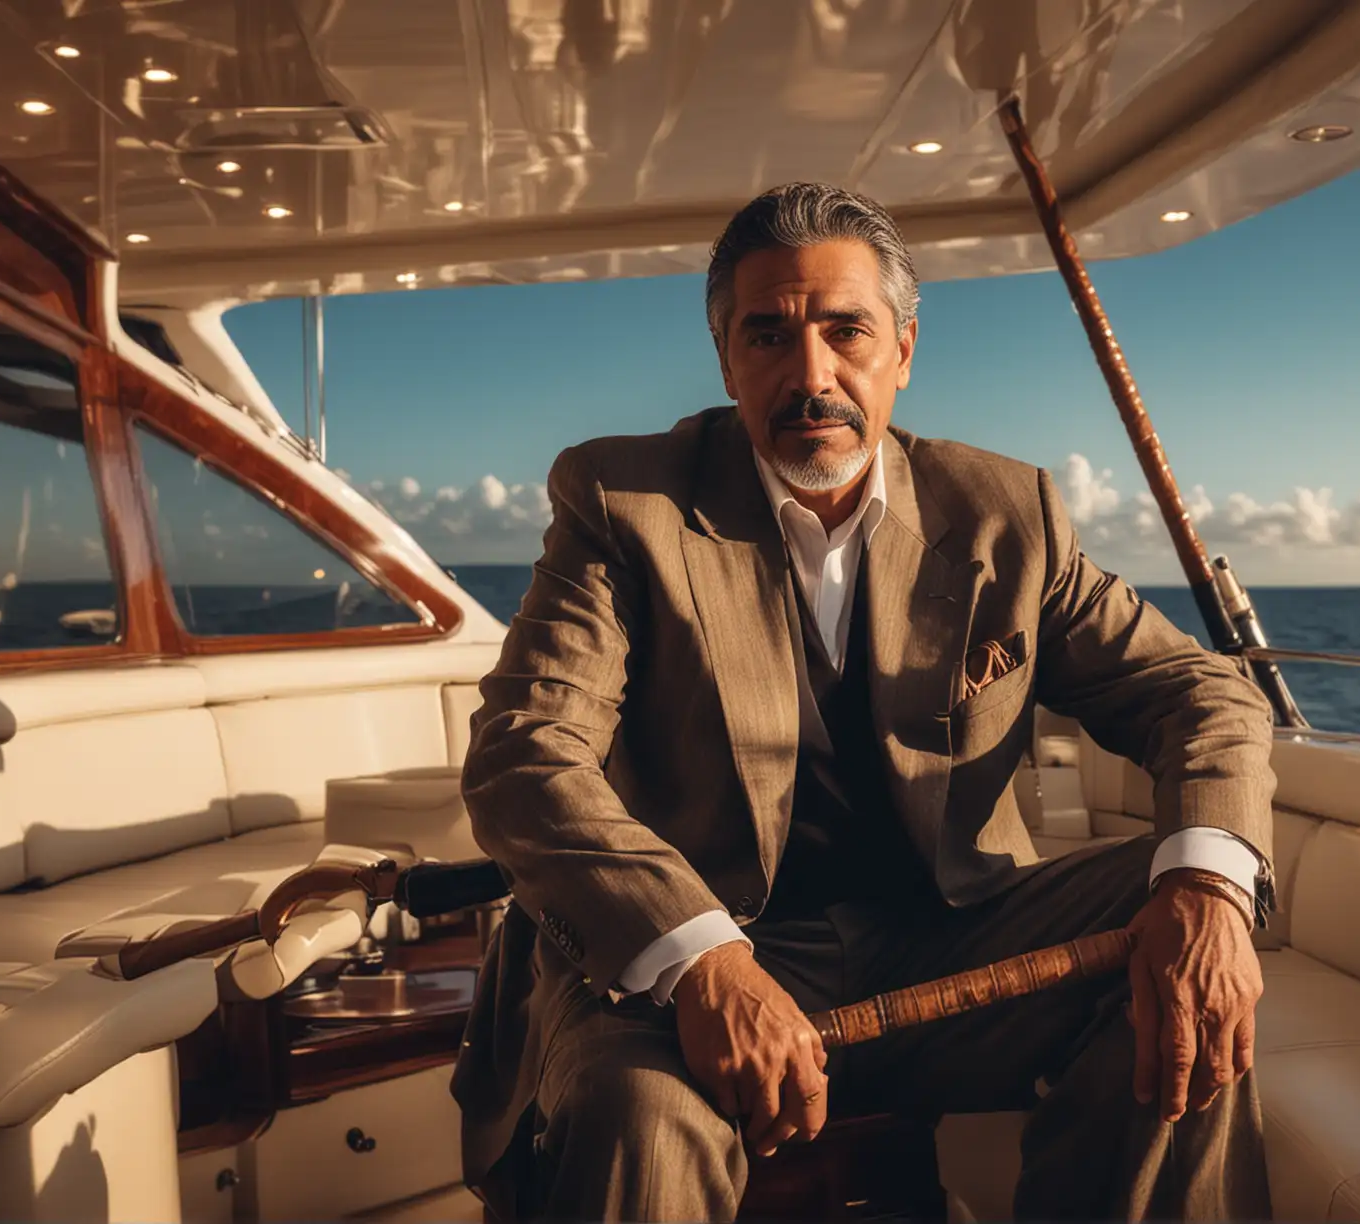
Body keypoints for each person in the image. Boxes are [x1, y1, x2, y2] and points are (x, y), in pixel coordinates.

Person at [452, 181, 1276, 1221]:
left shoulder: (1002, 515)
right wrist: (704, 958)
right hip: (702, 954)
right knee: (636, 1115)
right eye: (768, 337)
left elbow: (1197, 692)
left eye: (847, 332)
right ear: (725, 359)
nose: (812, 376)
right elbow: (526, 754)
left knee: (1190, 970)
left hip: (950, 939)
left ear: (904, 351)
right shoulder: (627, 505)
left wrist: (1209, 893)